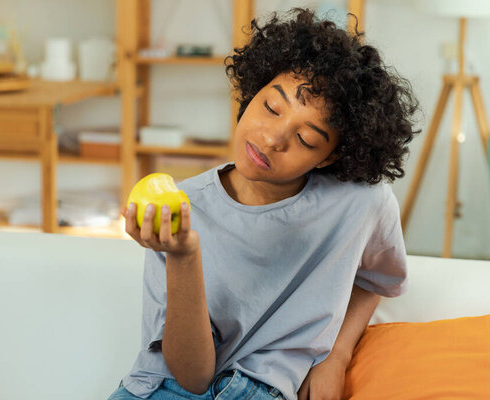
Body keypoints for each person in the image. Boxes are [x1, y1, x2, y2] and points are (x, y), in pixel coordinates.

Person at [109, 7, 420, 400]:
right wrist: (183, 257)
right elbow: (191, 377)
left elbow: (376, 280)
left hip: (262, 390)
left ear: (328, 157)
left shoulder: (360, 203)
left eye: (306, 139)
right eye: (271, 107)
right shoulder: (181, 209)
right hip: (160, 390)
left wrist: (335, 357)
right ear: (252, 90)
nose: (272, 138)